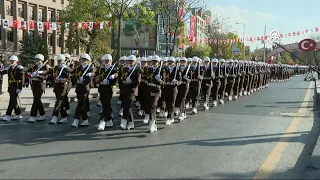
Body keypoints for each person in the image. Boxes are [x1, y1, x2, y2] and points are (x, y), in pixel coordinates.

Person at [48, 54, 74, 124]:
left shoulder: (65, 68)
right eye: (58, 60)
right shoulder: (56, 67)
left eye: (60, 60)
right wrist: (40, 73)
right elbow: (49, 72)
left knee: (59, 102)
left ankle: (54, 116)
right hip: (57, 86)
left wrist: (61, 78)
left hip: (63, 86)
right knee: (61, 102)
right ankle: (64, 117)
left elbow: (69, 76)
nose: (59, 62)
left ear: (63, 60)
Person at [71, 54, 95, 128]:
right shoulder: (78, 67)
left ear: (88, 60)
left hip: (85, 87)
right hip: (79, 87)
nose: (83, 61)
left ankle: (76, 120)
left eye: (84, 59)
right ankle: (85, 120)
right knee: (82, 104)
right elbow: (73, 74)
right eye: (82, 59)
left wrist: (90, 74)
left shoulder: (90, 68)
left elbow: (95, 72)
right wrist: (77, 79)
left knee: (80, 104)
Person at [97, 54, 118, 131]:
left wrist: (111, 78)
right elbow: (98, 78)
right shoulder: (101, 69)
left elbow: (116, 76)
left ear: (111, 61)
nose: (106, 62)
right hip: (102, 89)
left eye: (108, 61)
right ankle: (109, 121)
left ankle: (102, 121)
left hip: (108, 89)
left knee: (105, 105)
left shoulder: (113, 69)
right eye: (105, 61)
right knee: (105, 105)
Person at [0, 55, 24, 121]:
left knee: (12, 100)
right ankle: (18, 114)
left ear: (16, 61)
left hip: (16, 85)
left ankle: (8, 115)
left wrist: (20, 88)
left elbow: (21, 79)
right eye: (11, 60)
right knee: (13, 101)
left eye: (13, 60)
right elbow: (2, 72)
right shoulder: (9, 68)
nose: (12, 61)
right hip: (10, 86)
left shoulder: (19, 68)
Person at [27, 54, 49, 123]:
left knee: (36, 99)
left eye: (38, 59)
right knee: (37, 100)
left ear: (41, 60)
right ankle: (42, 115)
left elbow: (45, 77)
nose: (36, 61)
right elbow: (27, 71)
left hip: (41, 84)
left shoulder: (45, 67)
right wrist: (30, 74)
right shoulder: (34, 67)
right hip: (34, 85)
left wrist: (38, 75)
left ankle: (33, 116)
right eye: (36, 59)